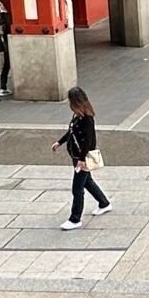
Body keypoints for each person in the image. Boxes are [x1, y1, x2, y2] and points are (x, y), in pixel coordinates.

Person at [52, 86, 111, 230]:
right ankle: (104, 203)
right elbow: (71, 132)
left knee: (77, 188)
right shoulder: (77, 115)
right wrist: (59, 142)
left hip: (82, 158)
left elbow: (89, 141)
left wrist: (82, 159)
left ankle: (75, 218)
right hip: (76, 155)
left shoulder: (87, 118)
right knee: (88, 182)